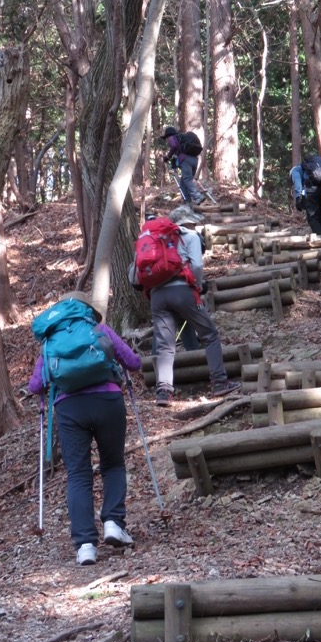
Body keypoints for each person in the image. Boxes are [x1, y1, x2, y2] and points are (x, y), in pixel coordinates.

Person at [28, 291, 142, 566]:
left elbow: (35, 386)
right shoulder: (98, 328)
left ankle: (85, 545)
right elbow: (134, 363)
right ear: (86, 309)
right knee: (113, 464)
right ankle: (114, 522)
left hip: (70, 410)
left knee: (78, 475)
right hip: (107, 401)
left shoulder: (51, 340)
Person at [149, 204, 240, 406]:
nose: (195, 225)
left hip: (157, 295)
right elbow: (197, 266)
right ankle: (219, 382)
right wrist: (197, 286)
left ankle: (163, 391)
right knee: (209, 334)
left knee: (165, 344)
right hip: (183, 291)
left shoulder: (157, 239)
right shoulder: (190, 236)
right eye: (192, 222)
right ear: (185, 222)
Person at [289, 154, 321, 239]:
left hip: (312, 191)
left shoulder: (295, 170)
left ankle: (320, 240)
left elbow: (298, 184)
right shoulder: (311, 167)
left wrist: (298, 198)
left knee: (313, 217)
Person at [160, 125, 205, 205]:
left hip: (186, 160)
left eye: (166, 138)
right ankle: (187, 202)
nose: (167, 140)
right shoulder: (181, 139)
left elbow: (173, 146)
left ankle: (198, 196)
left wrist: (167, 156)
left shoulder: (172, 137)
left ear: (168, 135)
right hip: (194, 160)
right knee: (183, 182)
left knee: (187, 179)